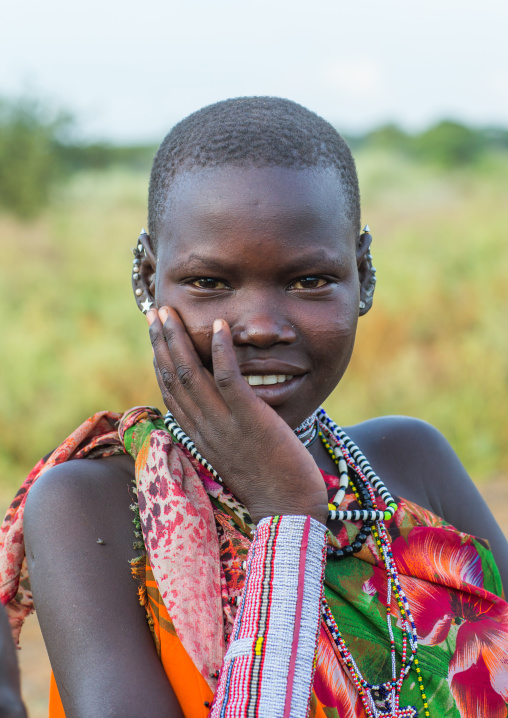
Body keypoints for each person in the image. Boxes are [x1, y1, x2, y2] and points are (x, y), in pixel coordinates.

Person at [1, 96, 508, 718]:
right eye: (210, 283)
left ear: (364, 276)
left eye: (310, 281)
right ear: (146, 278)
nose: (262, 327)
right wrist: (286, 518)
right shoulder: (91, 504)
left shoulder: (412, 460)